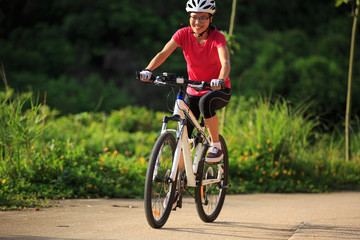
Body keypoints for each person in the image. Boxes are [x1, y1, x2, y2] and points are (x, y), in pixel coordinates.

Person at [139, 0, 231, 163]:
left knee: (205, 103)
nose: (197, 22)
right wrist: (148, 69)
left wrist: (220, 79)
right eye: (194, 17)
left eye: (203, 18)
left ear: (210, 19)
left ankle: (216, 146)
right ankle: (177, 183)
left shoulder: (218, 37)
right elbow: (163, 53)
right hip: (193, 90)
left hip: (217, 90)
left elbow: (225, 63)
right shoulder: (183, 34)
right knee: (184, 138)